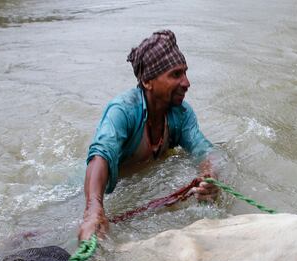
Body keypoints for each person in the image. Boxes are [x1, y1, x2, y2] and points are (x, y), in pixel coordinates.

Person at [78, 30, 219, 240]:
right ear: (147, 82)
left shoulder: (181, 114)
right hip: (88, 187)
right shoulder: (123, 110)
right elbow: (101, 155)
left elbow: (204, 149)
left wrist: (211, 177)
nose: (187, 83)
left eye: (185, 73)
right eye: (176, 74)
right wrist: (93, 210)